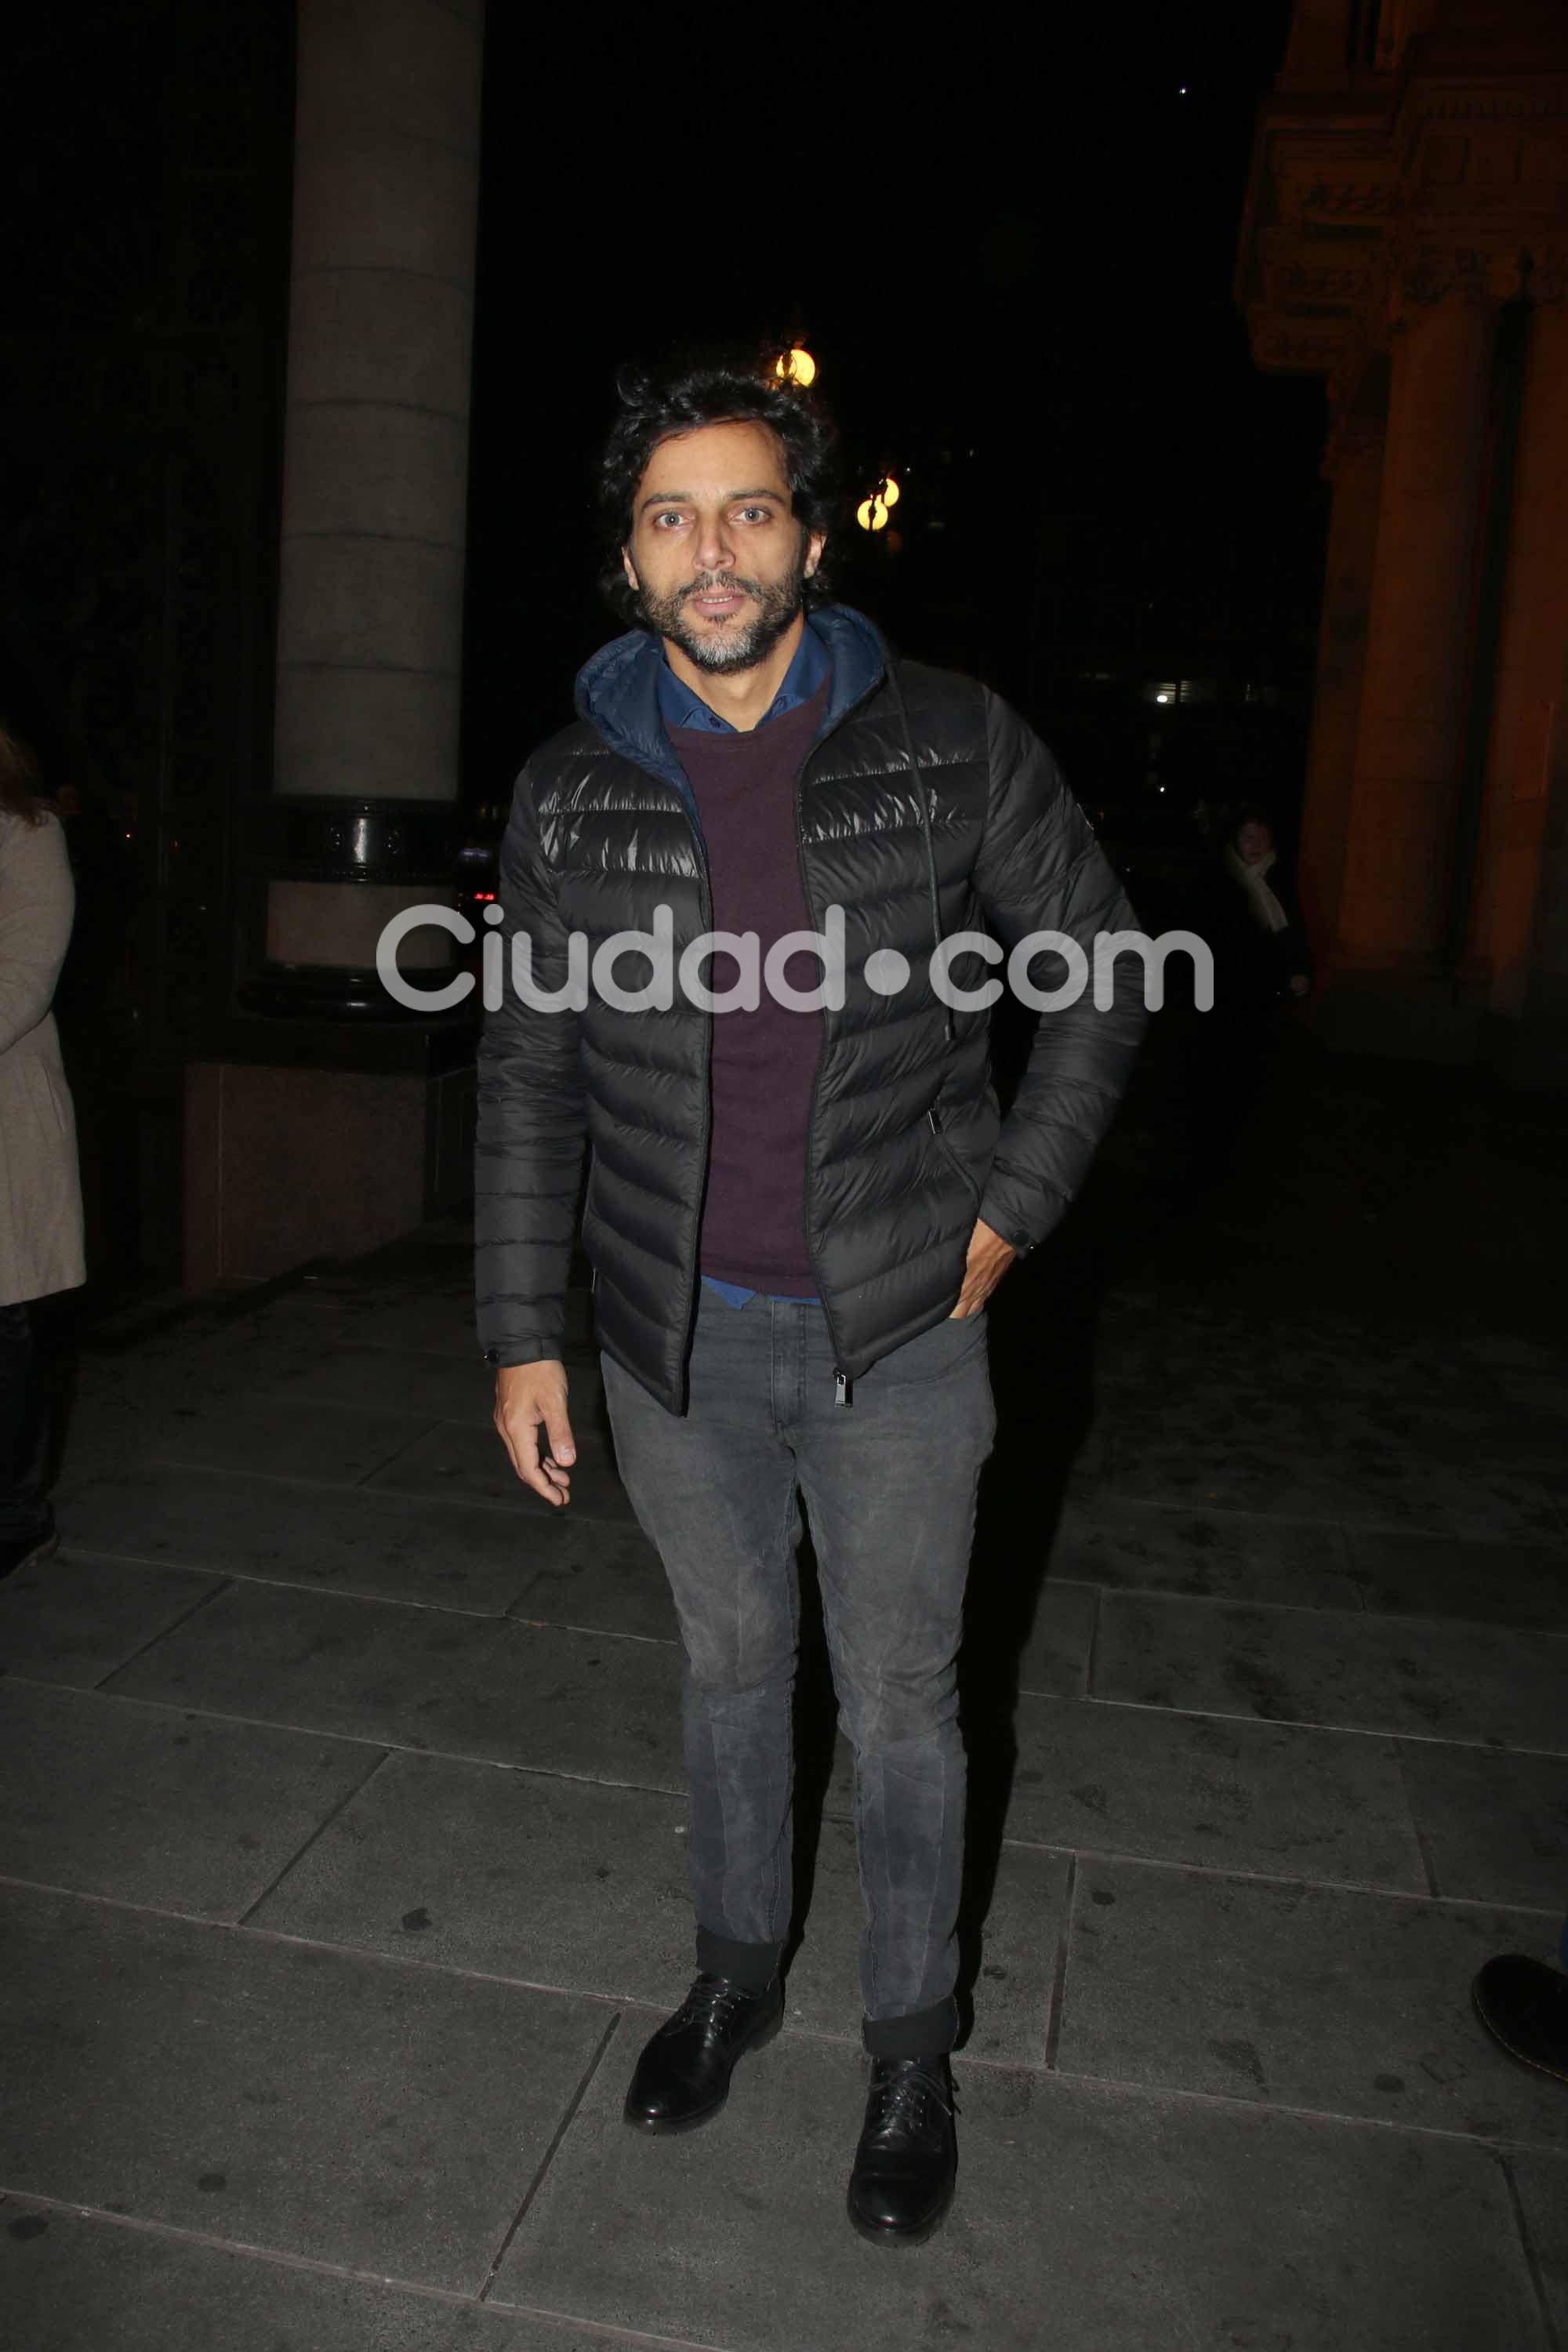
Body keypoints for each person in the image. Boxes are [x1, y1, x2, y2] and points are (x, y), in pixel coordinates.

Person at [474, 354, 1145, 2245]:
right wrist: (523, 1327)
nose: (711, 549)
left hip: (899, 1326)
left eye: (746, 508)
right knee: (726, 1672)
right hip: (666, 1332)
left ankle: (909, 2038)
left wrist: (1006, 1211)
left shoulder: (942, 734)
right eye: (670, 515)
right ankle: (735, 1969)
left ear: (808, 532)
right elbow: (525, 1068)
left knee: (909, 1697)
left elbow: (1097, 973)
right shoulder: (565, 787)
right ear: (626, 555)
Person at [0, 723, 85, 1578]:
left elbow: (24, 974)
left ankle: (16, 1518)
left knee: (4, 1328)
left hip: (3, 1122)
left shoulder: (24, 831)